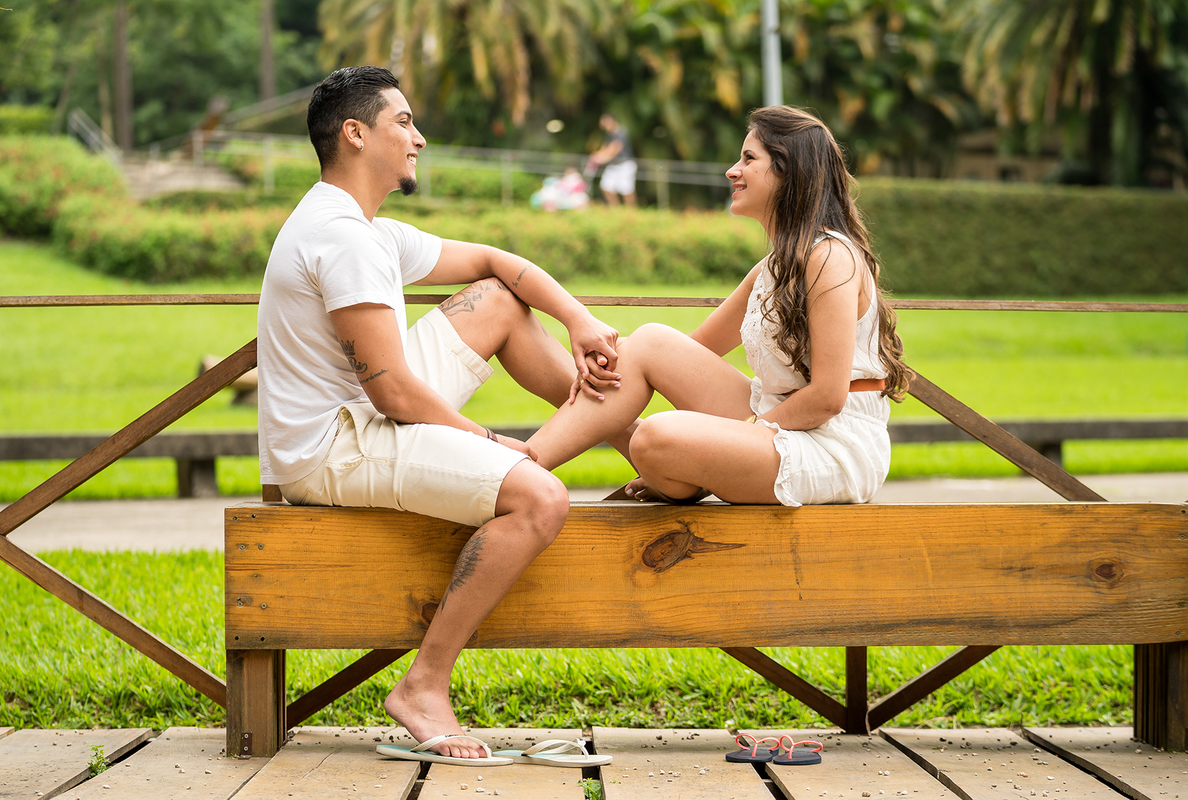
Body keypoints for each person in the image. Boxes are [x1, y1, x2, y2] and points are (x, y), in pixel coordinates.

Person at [256, 66, 626, 763]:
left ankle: (636, 443)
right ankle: (423, 686)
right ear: (356, 133)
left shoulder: (366, 229)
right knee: (539, 498)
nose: (419, 137)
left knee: (495, 299)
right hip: (332, 446)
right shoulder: (342, 238)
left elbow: (493, 261)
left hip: (363, 413)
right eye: (404, 122)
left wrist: (578, 319)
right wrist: (494, 443)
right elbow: (392, 395)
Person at [529, 105, 910, 506]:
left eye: (749, 159)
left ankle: (688, 467)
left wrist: (740, 435)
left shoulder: (830, 258)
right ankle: (524, 464)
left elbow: (827, 399)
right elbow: (683, 354)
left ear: (788, 171)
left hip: (831, 445)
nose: (732, 170)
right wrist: (604, 359)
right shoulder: (774, 267)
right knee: (650, 340)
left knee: (655, 438)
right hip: (775, 418)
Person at [586, 112, 637, 207]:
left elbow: (614, 149)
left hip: (624, 165)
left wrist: (601, 158)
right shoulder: (609, 134)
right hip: (613, 165)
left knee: (627, 190)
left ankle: (631, 211)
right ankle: (615, 208)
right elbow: (605, 148)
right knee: (606, 187)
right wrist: (596, 155)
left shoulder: (620, 132)